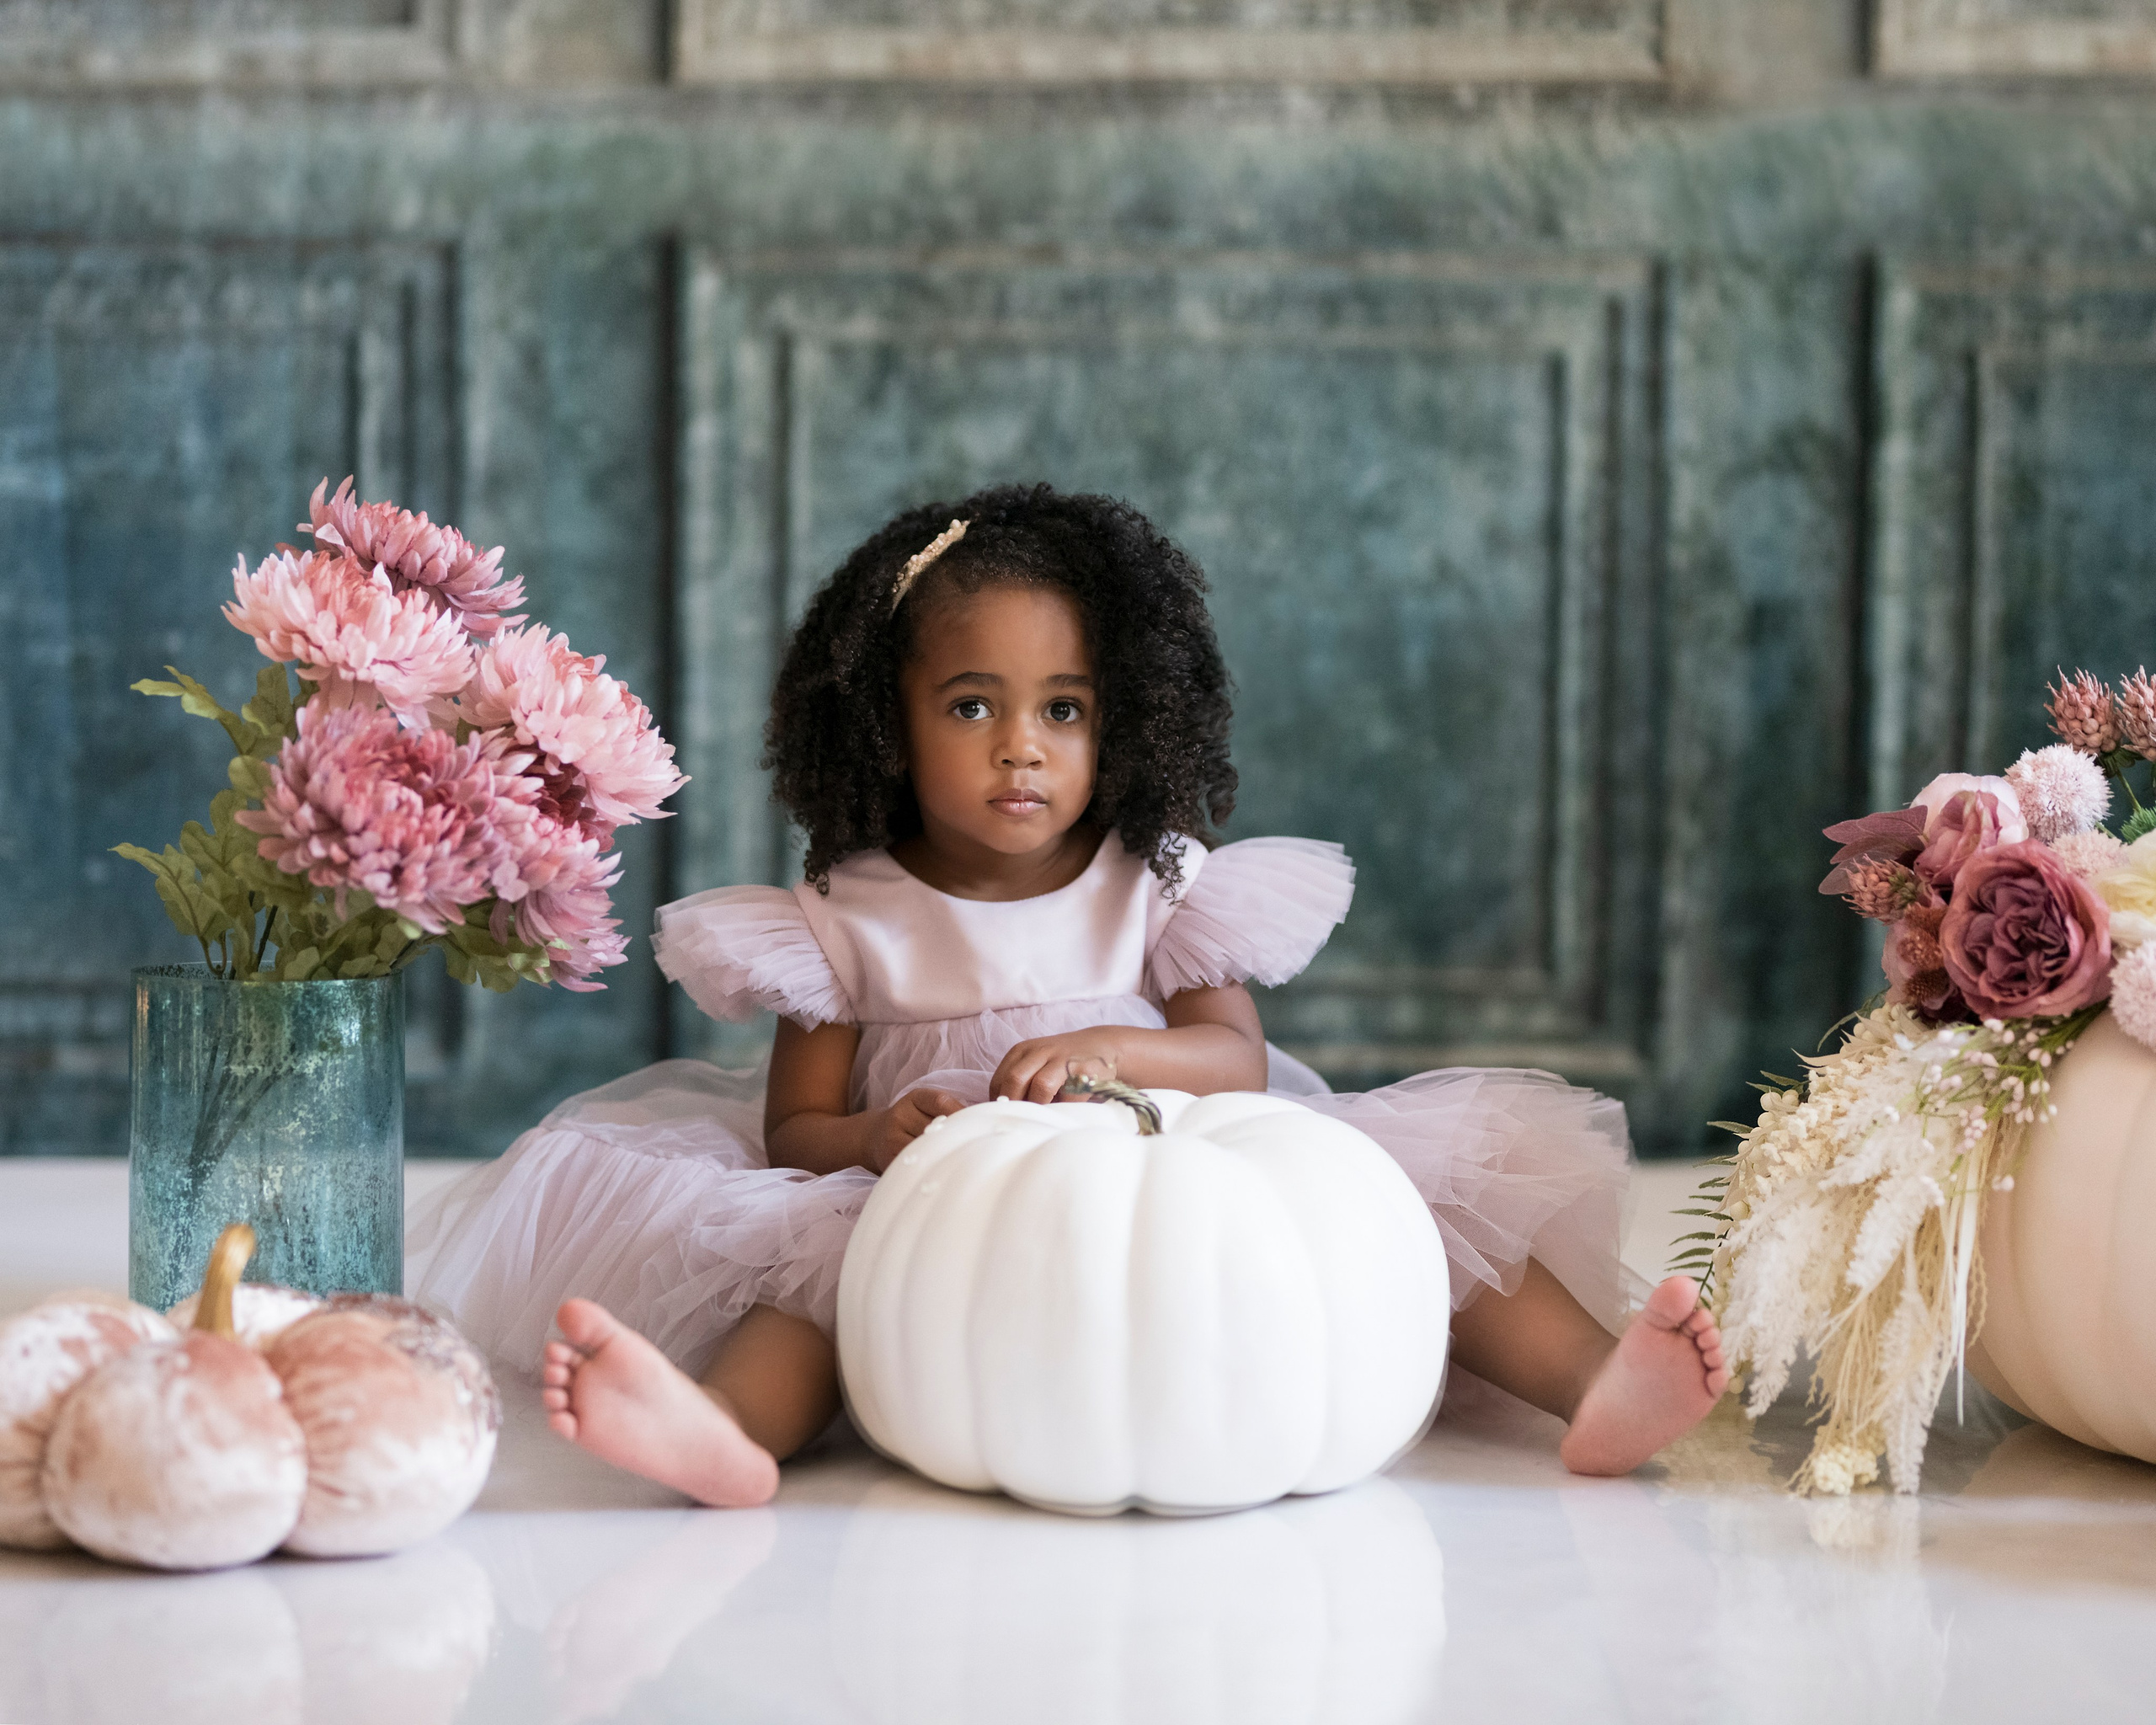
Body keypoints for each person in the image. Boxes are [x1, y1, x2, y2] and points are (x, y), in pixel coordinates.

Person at [408, 483, 1728, 1509]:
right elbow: (791, 1135)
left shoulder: (1152, 887)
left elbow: (1236, 1063)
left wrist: (1120, 1049)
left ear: (1123, 723)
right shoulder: (844, 920)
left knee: (1407, 1205)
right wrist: (873, 1138)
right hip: (932, 1203)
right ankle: (732, 1440)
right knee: (814, 1274)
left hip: (1178, 1185)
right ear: (886, 719)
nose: (1022, 747)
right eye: (973, 706)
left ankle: (1596, 1384)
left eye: (1065, 710)